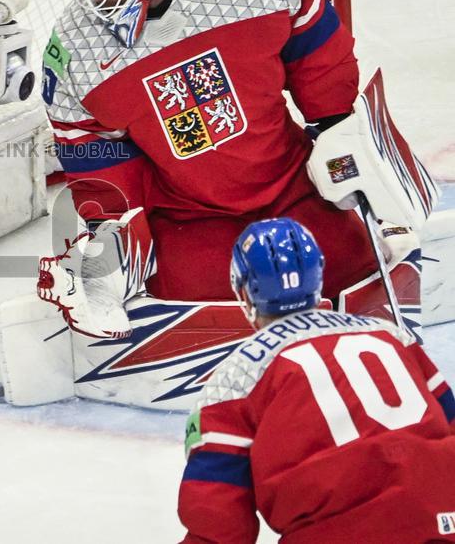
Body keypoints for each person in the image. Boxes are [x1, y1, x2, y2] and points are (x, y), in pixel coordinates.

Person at [39, 0, 387, 338]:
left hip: (292, 184)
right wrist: (113, 228)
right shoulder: (76, 48)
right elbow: (85, 141)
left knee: (353, 267)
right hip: (189, 215)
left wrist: (333, 122)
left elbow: (311, 25)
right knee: (186, 309)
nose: (99, 2)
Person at [178, 218, 455, 543]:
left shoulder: (236, 376)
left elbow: (218, 517)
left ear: (245, 292)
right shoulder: (391, 336)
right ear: (318, 278)